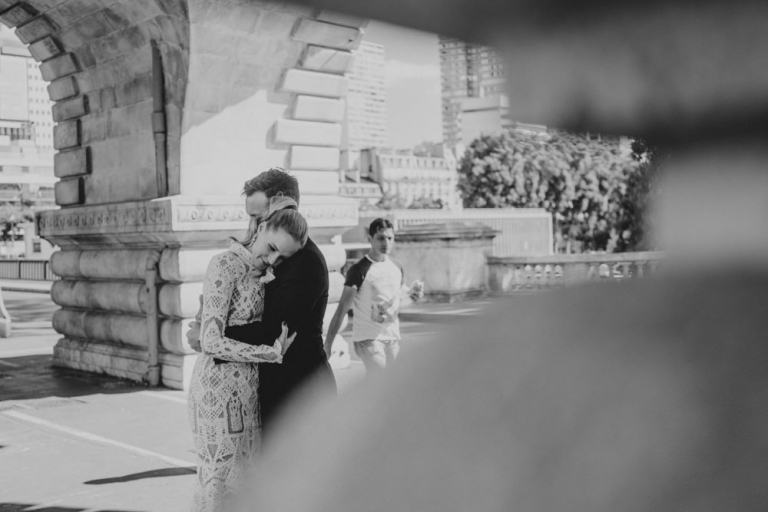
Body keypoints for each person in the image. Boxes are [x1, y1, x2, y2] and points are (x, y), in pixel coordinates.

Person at [187, 167, 335, 440]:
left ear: (281, 205)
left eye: (257, 216)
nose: (253, 225)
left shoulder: (307, 263)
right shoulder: (268, 256)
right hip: (270, 389)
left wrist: (210, 334)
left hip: (299, 393)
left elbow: (271, 330)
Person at [187, 199, 307, 511]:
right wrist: (269, 353)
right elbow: (210, 341)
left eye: (281, 257)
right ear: (262, 226)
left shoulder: (261, 273)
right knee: (218, 482)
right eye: (271, 247)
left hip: (248, 389)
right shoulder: (224, 264)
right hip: (216, 388)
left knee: (247, 482)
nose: (272, 259)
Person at [324, 218, 423, 374]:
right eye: (381, 238)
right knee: (381, 381)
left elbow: (401, 299)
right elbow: (342, 308)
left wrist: (413, 296)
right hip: (367, 340)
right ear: (370, 239)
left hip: (392, 338)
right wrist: (328, 343)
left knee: (389, 387)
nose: (386, 243)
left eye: (390, 238)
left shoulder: (397, 266)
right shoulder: (359, 270)